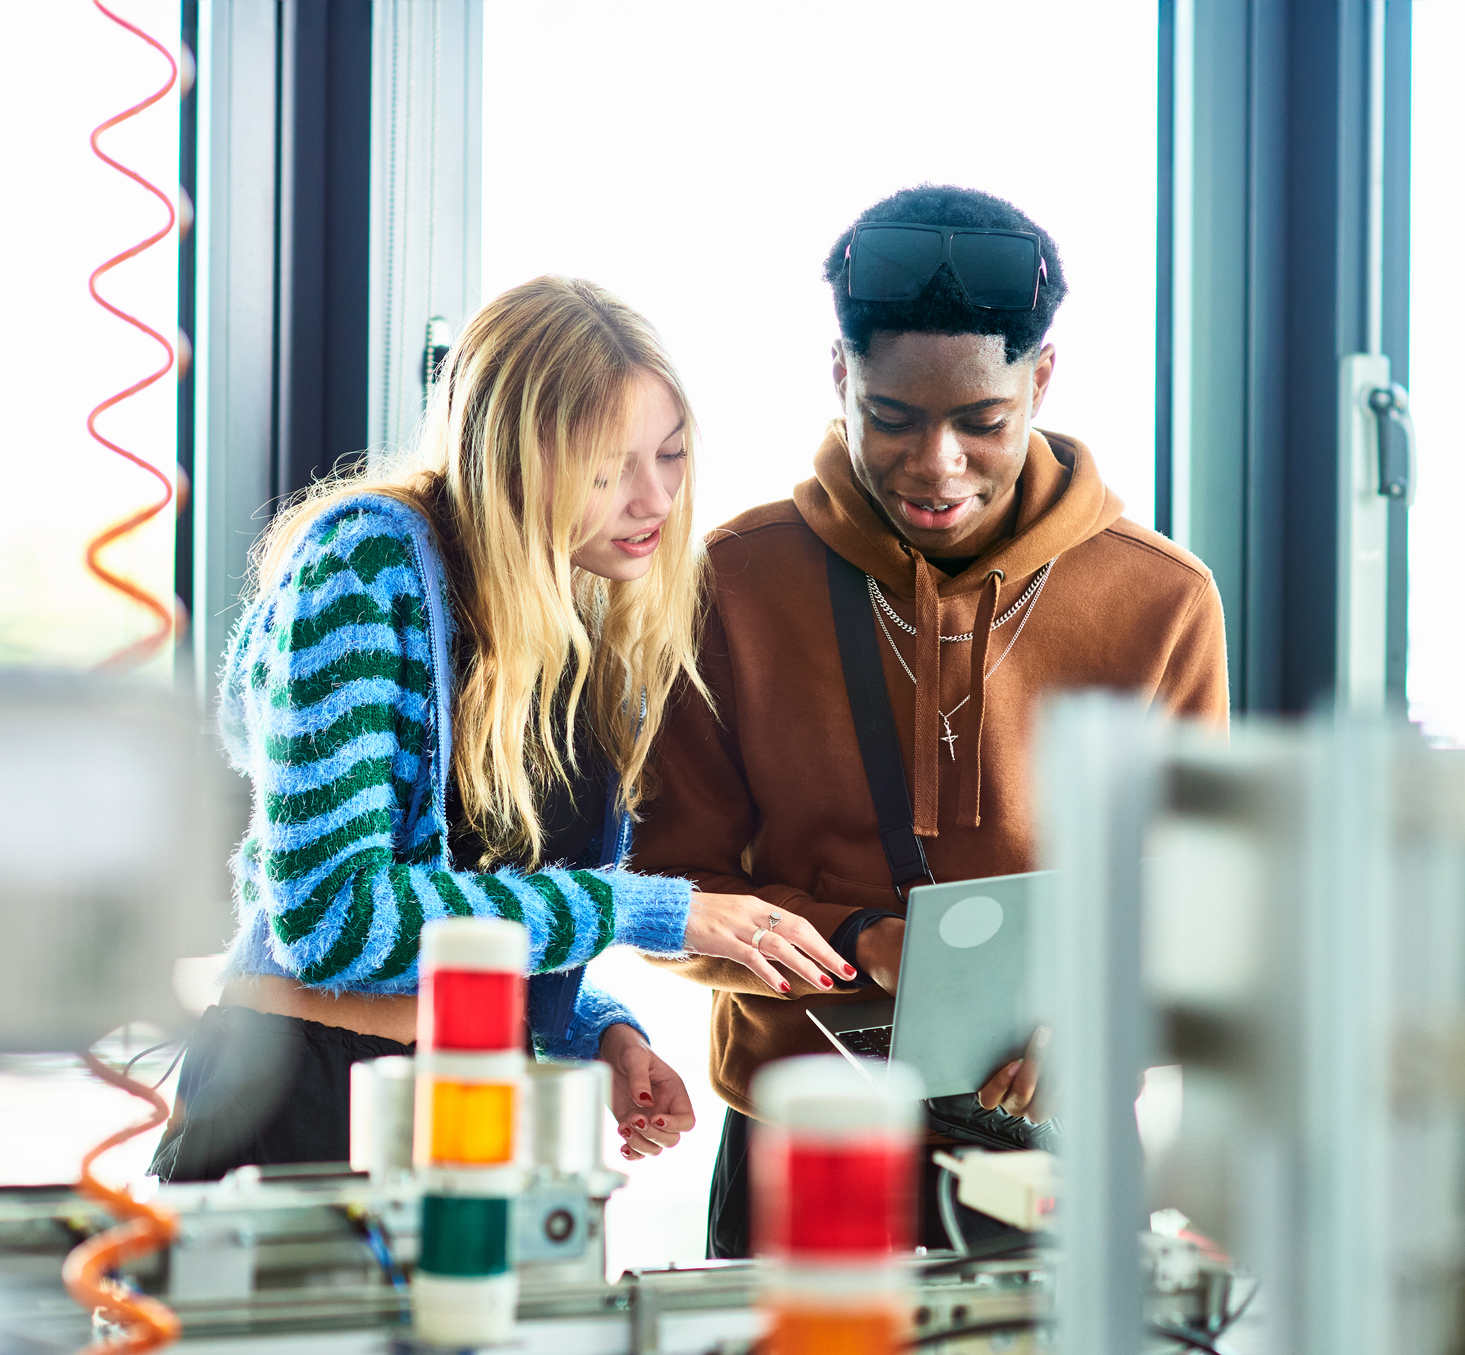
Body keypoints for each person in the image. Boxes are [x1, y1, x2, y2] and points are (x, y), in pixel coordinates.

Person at [629, 185, 1231, 1256]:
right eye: (893, 417)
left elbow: (1191, 911)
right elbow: (672, 888)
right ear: (838, 377)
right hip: (798, 1140)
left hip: (1059, 1138)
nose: (935, 463)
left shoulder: (1162, 601)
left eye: (982, 422)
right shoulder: (734, 581)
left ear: (1041, 379)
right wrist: (859, 940)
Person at [153, 275, 853, 1182]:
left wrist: (595, 1030)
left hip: (468, 1100)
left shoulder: (574, 615)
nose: (654, 500)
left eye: (671, 455)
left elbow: (474, 907)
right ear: (514, 459)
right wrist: (658, 911)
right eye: (609, 469)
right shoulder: (364, 564)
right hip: (299, 1096)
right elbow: (335, 918)